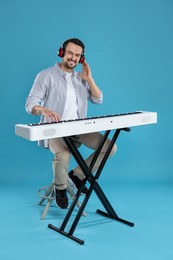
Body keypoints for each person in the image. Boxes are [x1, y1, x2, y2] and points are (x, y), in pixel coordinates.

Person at [25, 38, 117, 209]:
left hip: (78, 128)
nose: (73, 58)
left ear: (81, 58)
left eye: (77, 55)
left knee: (110, 147)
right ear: (62, 53)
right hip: (55, 131)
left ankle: (76, 175)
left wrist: (89, 79)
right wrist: (44, 110)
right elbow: (30, 103)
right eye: (70, 53)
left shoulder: (81, 78)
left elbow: (98, 99)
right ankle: (60, 188)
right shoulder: (46, 75)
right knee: (64, 155)